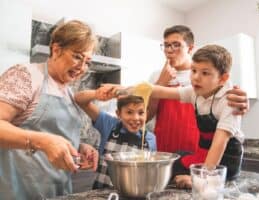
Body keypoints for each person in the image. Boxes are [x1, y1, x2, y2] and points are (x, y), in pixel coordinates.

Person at [0, 20, 99, 199]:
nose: (82, 67)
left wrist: (80, 146)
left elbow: (53, 132)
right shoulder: (26, 76)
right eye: (77, 56)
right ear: (56, 49)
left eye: (88, 62)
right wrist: (42, 141)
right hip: (19, 191)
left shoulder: (68, 91)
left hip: (57, 192)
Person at [150, 44, 244, 188]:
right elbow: (158, 91)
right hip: (203, 157)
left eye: (205, 73)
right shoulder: (195, 93)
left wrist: (200, 180)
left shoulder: (230, 101)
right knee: (172, 162)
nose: (196, 78)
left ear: (223, 78)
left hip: (223, 165)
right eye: (193, 70)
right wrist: (122, 90)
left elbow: (219, 145)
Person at [147, 25, 248, 154]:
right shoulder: (156, 76)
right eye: (166, 45)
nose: (169, 50)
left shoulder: (207, 76)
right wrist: (160, 83)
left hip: (200, 151)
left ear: (190, 48)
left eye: (176, 44)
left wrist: (243, 101)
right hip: (164, 149)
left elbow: (231, 104)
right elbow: (147, 116)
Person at [74, 85, 156, 189]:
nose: (136, 118)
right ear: (119, 114)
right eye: (129, 112)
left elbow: (150, 173)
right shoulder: (109, 125)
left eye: (141, 112)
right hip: (100, 193)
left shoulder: (150, 139)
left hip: (132, 194)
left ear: (147, 113)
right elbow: (79, 99)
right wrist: (99, 94)